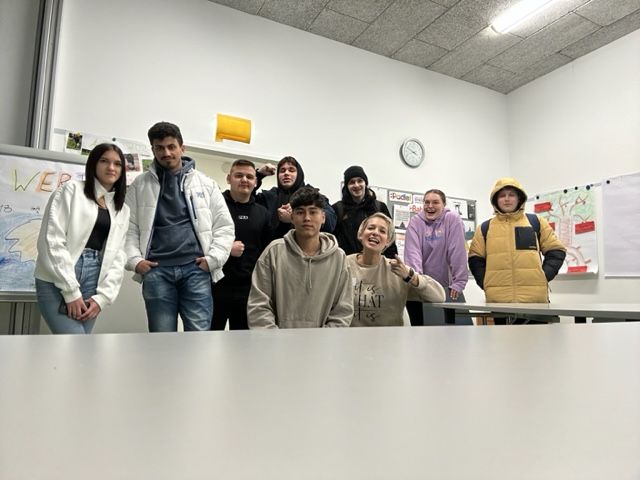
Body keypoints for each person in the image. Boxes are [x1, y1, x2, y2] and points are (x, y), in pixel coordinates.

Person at [125, 121, 234, 332]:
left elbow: (224, 227)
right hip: (157, 272)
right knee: (162, 339)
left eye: (171, 146)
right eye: (160, 148)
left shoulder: (206, 184)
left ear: (182, 148)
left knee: (199, 336)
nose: (166, 153)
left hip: (196, 271)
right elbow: (128, 228)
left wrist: (213, 260)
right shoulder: (139, 185)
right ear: (153, 150)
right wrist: (135, 261)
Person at [35, 143, 130, 334]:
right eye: (104, 161)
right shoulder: (71, 190)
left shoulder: (122, 209)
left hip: (94, 277)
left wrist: (102, 298)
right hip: (59, 275)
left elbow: (118, 256)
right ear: (93, 164)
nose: (111, 167)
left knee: (81, 345)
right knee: (75, 342)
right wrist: (71, 291)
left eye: (117, 164)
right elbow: (53, 240)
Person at [248, 186, 353, 328]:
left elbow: (343, 310)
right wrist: (274, 339)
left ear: (323, 217)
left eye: (313, 212)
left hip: (324, 341)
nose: (307, 218)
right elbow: (259, 305)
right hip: (277, 340)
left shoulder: (338, 258)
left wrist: (325, 339)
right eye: (300, 212)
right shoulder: (273, 252)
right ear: (292, 217)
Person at [468, 177, 566, 323]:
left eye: (511, 195)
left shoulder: (536, 222)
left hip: (535, 302)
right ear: (495, 200)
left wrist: (542, 276)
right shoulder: (485, 228)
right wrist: (486, 282)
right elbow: (475, 259)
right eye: (502, 195)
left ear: (519, 198)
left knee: (539, 338)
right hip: (499, 304)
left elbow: (556, 250)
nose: (507, 199)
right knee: (503, 338)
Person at [347, 213, 445, 327]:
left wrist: (411, 277)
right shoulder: (344, 264)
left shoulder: (397, 269)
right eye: (371, 228)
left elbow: (439, 296)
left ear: (388, 241)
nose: (375, 233)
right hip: (349, 335)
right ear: (360, 234)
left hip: (390, 336)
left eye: (382, 231)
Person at [211, 159, 271, 330]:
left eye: (249, 177)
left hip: (248, 290)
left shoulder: (262, 213)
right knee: (210, 338)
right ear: (229, 178)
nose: (244, 180)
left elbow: (266, 251)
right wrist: (226, 249)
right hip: (215, 286)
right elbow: (200, 240)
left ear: (255, 182)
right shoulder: (214, 206)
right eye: (239, 175)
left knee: (243, 341)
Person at [404, 189, 470, 326]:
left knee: (448, 331)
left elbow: (457, 252)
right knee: (419, 331)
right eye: (426, 202)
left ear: (444, 205)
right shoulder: (415, 222)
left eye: (435, 202)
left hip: (446, 288)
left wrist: (459, 282)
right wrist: (417, 281)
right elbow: (412, 254)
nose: (430, 206)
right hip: (419, 286)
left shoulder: (452, 219)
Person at [255, 156, 336, 240]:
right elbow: (248, 202)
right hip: (274, 245)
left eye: (291, 170)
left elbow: (330, 222)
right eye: (282, 171)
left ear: (299, 174)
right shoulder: (269, 196)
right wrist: (259, 174)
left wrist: (298, 214)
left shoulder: (312, 194)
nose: (286, 173)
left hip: (305, 245)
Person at [332, 165, 398, 258]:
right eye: (352, 182)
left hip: (375, 263)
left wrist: (392, 260)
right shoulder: (338, 209)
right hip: (345, 262)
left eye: (360, 181)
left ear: (365, 183)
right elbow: (332, 240)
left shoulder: (379, 207)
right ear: (347, 186)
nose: (356, 185)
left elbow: (390, 236)